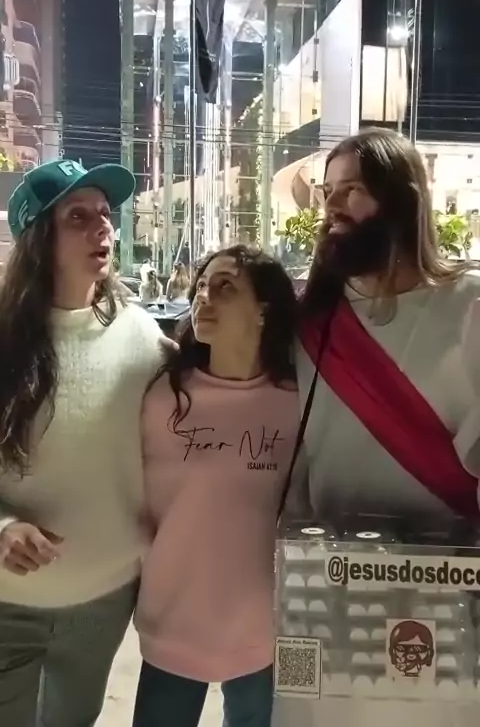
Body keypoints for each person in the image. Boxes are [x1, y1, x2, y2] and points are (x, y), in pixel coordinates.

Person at [274, 128, 480, 727]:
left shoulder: (469, 306)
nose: (331, 207)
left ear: (401, 200)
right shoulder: (311, 318)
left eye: (352, 191)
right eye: (328, 192)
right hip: (325, 582)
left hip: (448, 588)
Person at [0, 159, 167, 727]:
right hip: (8, 601)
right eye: (78, 217)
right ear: (38, 240)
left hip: (104, 599)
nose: (103, 227)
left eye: (104, 213)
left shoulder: (141, 335)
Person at [133, 244, 299, 727]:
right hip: (172, 619)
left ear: (264, 309)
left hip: (264, 628)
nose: (205, 298)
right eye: (202, 287)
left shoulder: (298, 400)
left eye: (226, 287)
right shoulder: (161, 394)